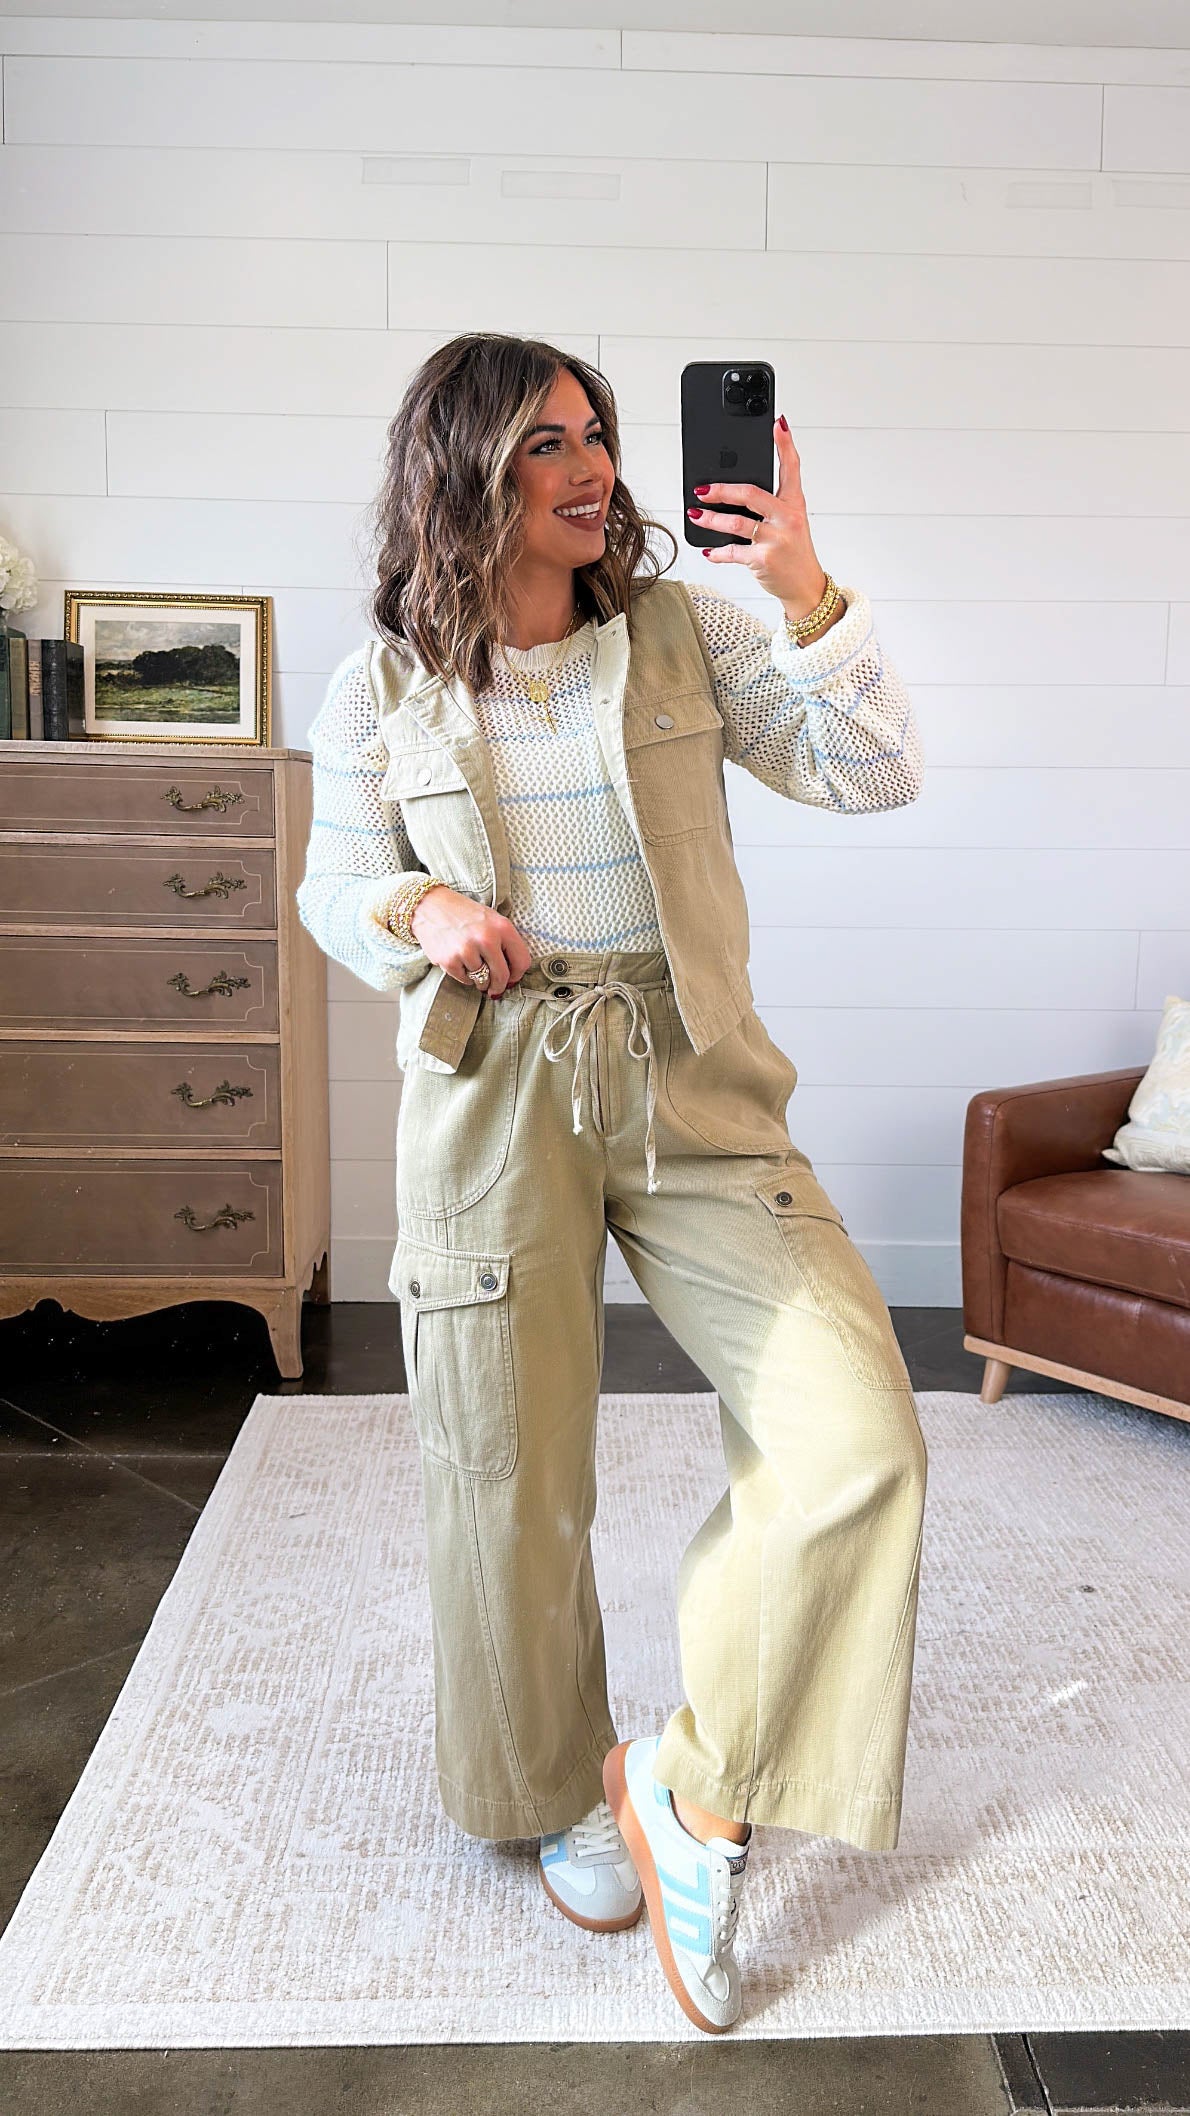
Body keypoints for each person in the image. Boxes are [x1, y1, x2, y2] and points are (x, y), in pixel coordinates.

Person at [297, 332, 929, 2036]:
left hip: (690, 1070)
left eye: (593, 435)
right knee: (506, 1473)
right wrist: (421, 911)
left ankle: (690, 1788)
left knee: (855, 1436)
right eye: (543, 445)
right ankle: (553, 1789)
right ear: (460, 473)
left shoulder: (684, 631)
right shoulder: (378, 688)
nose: (589, 470)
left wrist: (805, 591)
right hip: (494, 1080)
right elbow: (335, 882)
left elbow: (875, 773)